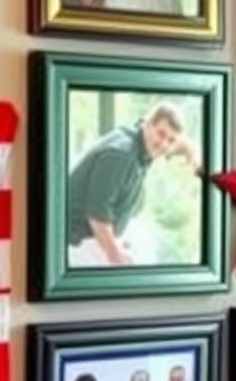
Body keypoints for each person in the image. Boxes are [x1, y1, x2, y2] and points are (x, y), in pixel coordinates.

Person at [66, 102, 199, 267]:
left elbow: (173, 140)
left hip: (95, 235)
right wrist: (116, 257)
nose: (164, 144)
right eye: (161, 134)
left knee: (145, 241)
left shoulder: (140, 140)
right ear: (148, 124)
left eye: (171, 140)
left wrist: (192, 153)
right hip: (78, 242)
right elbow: (97, 215)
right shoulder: (122, 156)